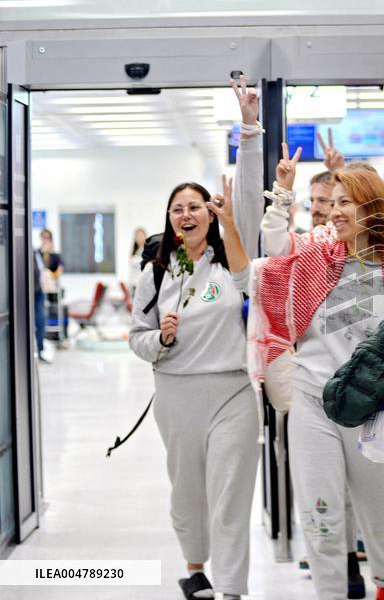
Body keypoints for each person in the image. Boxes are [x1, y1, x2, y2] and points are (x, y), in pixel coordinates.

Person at [252, 154, 384, 600]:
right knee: (320, 511)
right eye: (334, 201)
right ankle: (329, 592)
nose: (336, 210)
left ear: (372, 209)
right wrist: (282, 194)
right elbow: (273, 246)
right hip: (313, 401)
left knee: (382, 510)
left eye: (349, 202)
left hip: (375, 408)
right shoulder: (317, 256)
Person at [129, 177, 258, 600]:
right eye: (177, 209)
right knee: (187, 490)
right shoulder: (155, 272)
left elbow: (248, 281)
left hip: (232, 392)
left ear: (210, 213)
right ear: (169, 220)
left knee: (230, 493)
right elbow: (137, 338)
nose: (186, 215)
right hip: (176, 393)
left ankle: (233, 587)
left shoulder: (228, 264)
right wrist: (161, 339)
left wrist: (232, 221)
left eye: (195, 207)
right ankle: (195, 567)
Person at [128, 227, 148, 293]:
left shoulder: (147, 249)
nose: (139, 238)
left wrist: (134, 260)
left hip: (142, 284)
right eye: (137, 236)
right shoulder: (136, 250)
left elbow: (144, 262)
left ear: (145, 236)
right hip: (134, 283)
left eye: (141, 235)